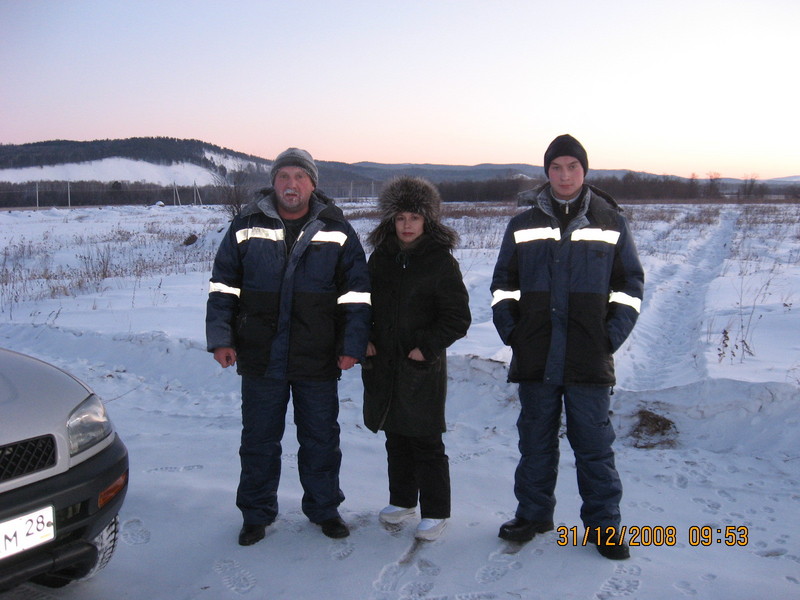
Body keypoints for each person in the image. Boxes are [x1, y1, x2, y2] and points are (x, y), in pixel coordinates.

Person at [206, 147, 371, 546]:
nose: (291, 184)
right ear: (273, 182)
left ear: (313, 184)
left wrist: (352, 344)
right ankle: (256, 514)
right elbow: (223, 286)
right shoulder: (245, 225)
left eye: (300, 177)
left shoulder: (337, 229)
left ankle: (324, 509)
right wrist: (222, 339)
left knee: (320, 439)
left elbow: (357, 295)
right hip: (261, 354)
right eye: (284, 176)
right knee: (259, 440)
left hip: (318, 353)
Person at [490, 134, 644, 559]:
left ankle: (604, 528)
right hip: (536, 352)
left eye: (571, 167)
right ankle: (534, 514)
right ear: (546, 172)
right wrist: (514, 332)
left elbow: (629, 286)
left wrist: (609, 336)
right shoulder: (522, 224)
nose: (563, 175)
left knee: (594, 446)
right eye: (556, 168)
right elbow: (503, 285)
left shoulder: (610, 221)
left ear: (584, 170)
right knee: (535, 443)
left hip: (587, 355)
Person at [361, 176, 471, 541]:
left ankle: (436, 511)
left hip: (421, 365)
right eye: (401, 218)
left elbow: (457, 317)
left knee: (426, 440)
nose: (407, 225)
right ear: (391, 221)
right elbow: (364, 307)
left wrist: (427, 346)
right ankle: (403, 500)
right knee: (396, 436)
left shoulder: (439, 262)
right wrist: (366, 339)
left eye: (415, 218)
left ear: (428, 221)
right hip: (385, 364)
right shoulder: (380, 259)